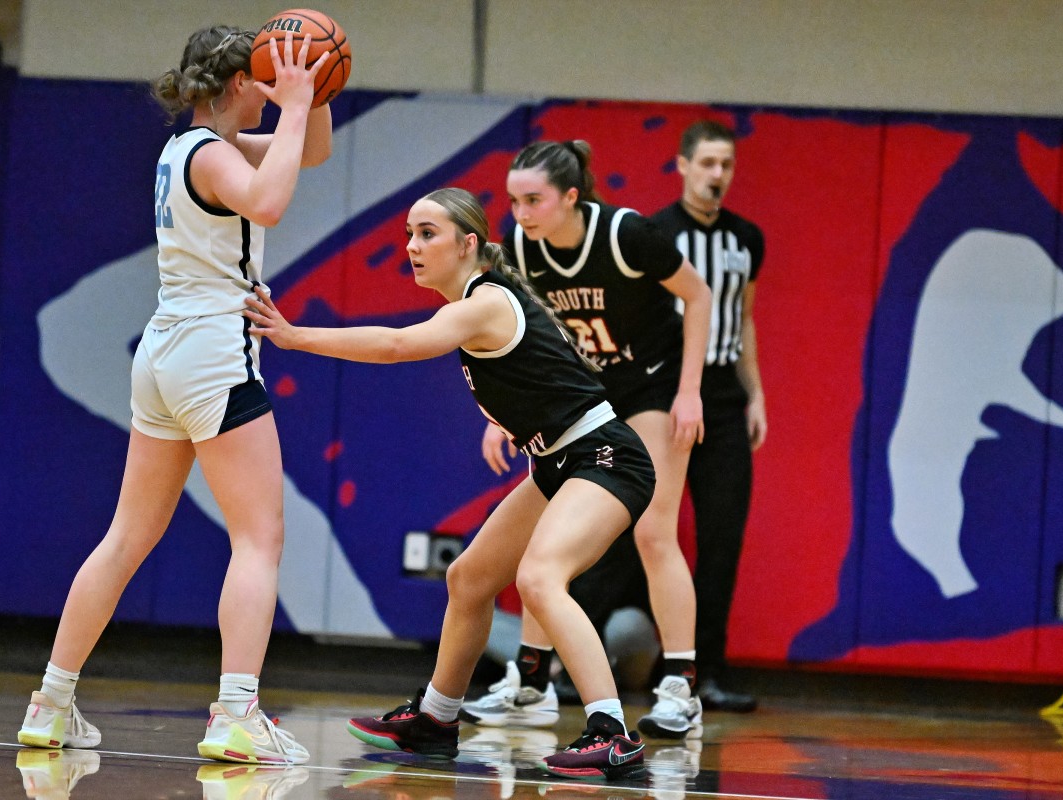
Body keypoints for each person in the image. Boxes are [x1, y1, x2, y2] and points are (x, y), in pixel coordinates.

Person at [244, 187, 654, 782]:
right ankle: (436, 719)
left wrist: (294, 334)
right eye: (409, 233)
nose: (412, 246)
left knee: (541, 577)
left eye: (427, 234)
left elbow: (395, 344)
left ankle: (610, 734)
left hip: (606, 457)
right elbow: (540, 377)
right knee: (469, 578)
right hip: (559, 459)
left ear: (469, 245)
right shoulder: (480, 306)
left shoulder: (482, 303)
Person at [16, 25, 333, 765]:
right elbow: (273, 201)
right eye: (263, 80)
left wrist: (309, 93)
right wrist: (291, 107)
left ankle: (51, 702)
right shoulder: (220, 159)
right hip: (212, 351)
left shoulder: (186, 149)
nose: (271, 92)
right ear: (236, 86)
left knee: (126, 536)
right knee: (259, 537)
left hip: (163, 353)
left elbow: (308, 153)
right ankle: (236, 713)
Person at [461, 140, 713, 741]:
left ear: (571, 197)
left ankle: (680, 685)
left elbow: (698, 296)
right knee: (546, 541)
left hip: (651, 386)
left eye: (534, 200)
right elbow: (523, 339)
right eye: (514, 200)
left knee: (654, 531)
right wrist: (504, 415)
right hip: (581, 398)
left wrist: (691, 391)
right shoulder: (520, 249)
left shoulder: (628, 236)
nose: (520, 213)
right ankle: (529, 684)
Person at [650, 120, 766, 712]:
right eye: (708, 163)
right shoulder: (653, 233)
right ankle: (572, 671)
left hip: (721, 395)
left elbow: (743, 320)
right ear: (683, 165)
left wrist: (756, 396)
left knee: (722, 537)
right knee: (636, 533)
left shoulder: (745, 239)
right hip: (661, 388)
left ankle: (706, 674)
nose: (717, 175)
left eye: (726, 164)